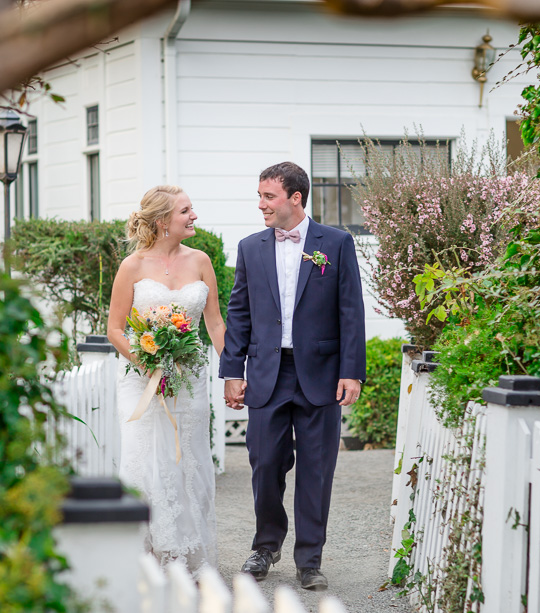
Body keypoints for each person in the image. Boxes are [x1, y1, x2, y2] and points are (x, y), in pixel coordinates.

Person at [220, 162, 367, 591]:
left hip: (321, 374)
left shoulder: (336, 244)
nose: (261, 204)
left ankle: (310, 559)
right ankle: (266, 546)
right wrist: (232, 370)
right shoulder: (250, 247)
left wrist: (351, 372)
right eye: (260, 196)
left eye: (269, 196)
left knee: (316, 470)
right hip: (268, 372)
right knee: (264, 463)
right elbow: (239, 312)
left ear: (296, 198)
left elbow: (350, 312)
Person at [106, 185, 226, 576]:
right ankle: (144, 559)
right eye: (186, 211)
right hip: (141, 382)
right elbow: (115, 328)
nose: (194, 216)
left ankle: (186, 559)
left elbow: (214, 322)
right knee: (146, 462)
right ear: (162, 222)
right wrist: (147, 362)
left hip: (188, 379)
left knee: (186, 461)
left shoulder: (201, 260)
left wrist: (234, 372)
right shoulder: (133, 266)